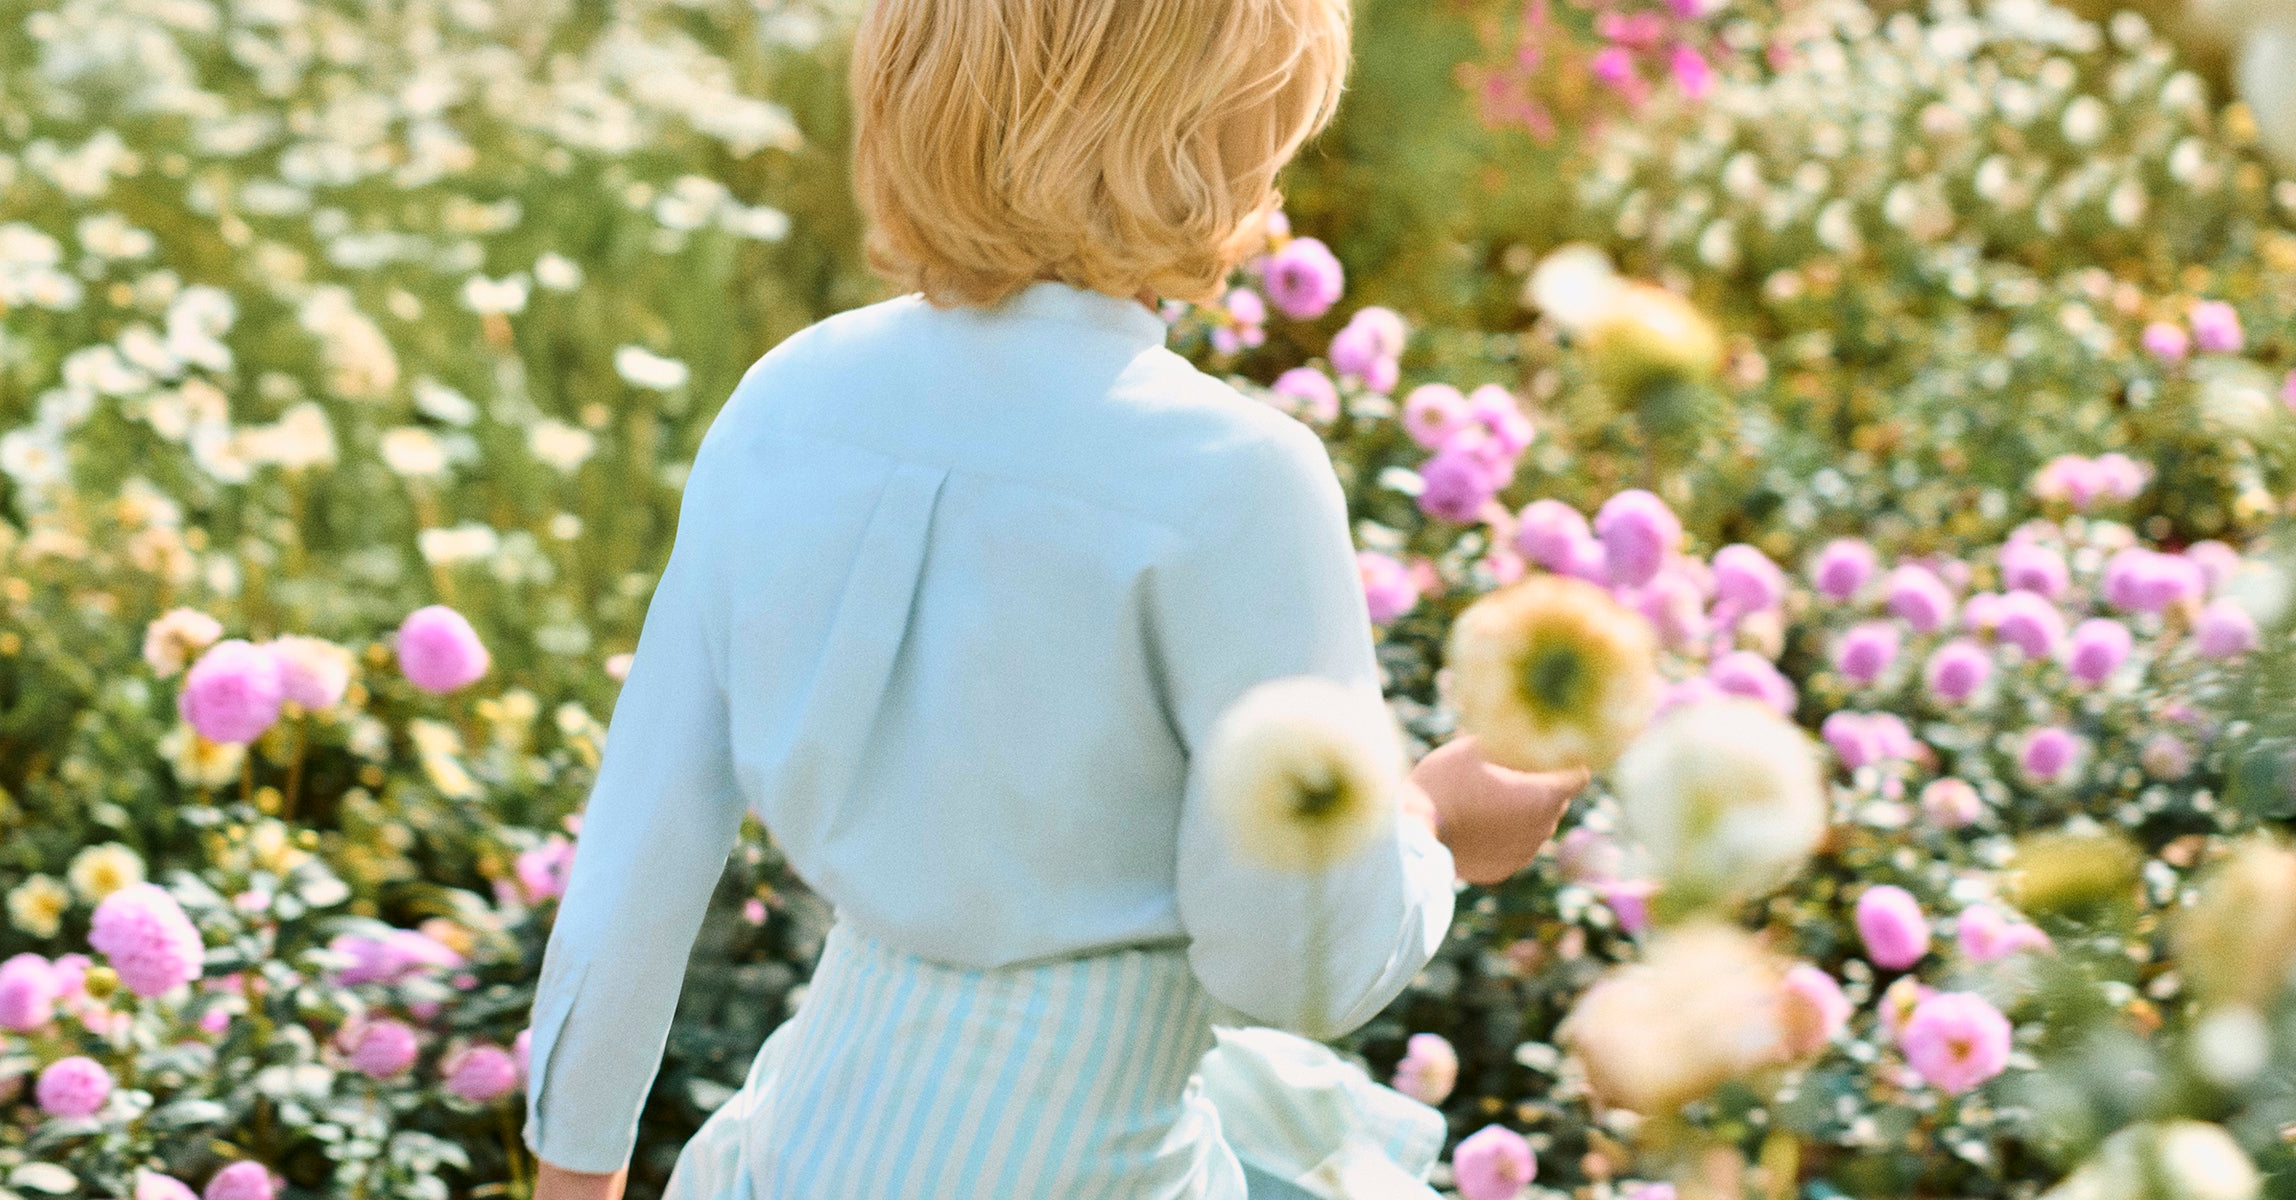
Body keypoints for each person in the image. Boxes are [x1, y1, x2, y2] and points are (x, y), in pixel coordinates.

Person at [522, 0, 1585, 1196]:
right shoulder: (1233, 477)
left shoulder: (791, 399)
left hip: (796, 1155)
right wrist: (1433, 819)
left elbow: (639, 854)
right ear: (1209, 131)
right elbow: (1294, 964)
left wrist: (575, 1181)